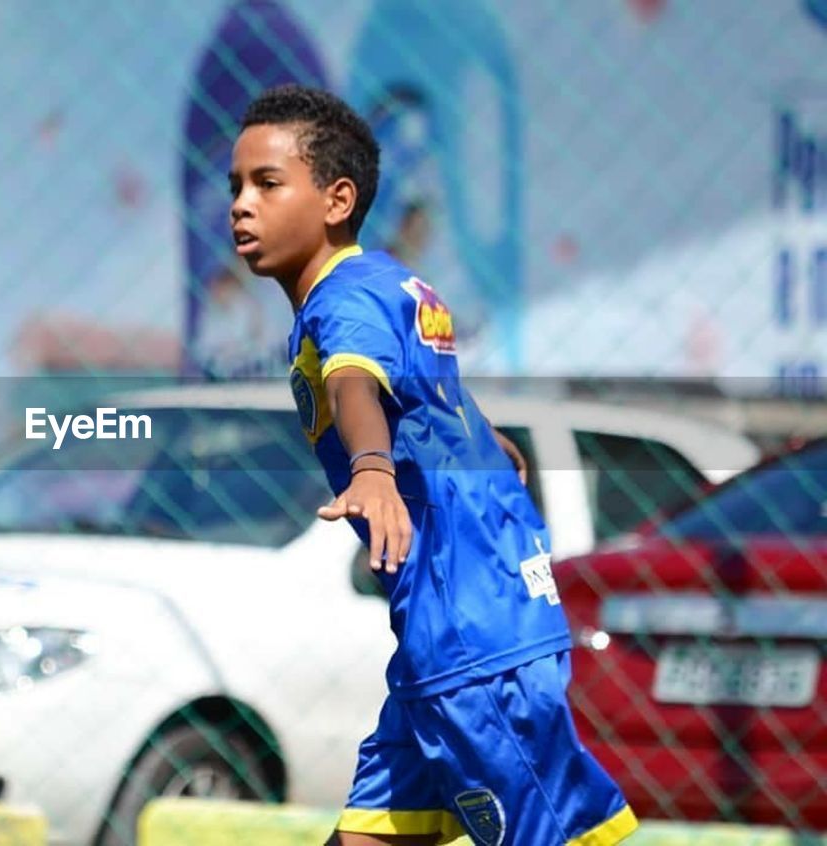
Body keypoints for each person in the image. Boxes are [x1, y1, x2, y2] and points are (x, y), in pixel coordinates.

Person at [228, 84, 637, 846]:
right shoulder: (391, 282)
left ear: (336, 199)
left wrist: (373, 470)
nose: (241, 205)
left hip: (473, 639)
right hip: (445, 638)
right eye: (236, 186)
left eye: (267, 183)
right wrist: (486, 440)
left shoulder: (339, 305)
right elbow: (426, 387)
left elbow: (357, 381)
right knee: (371, 837)